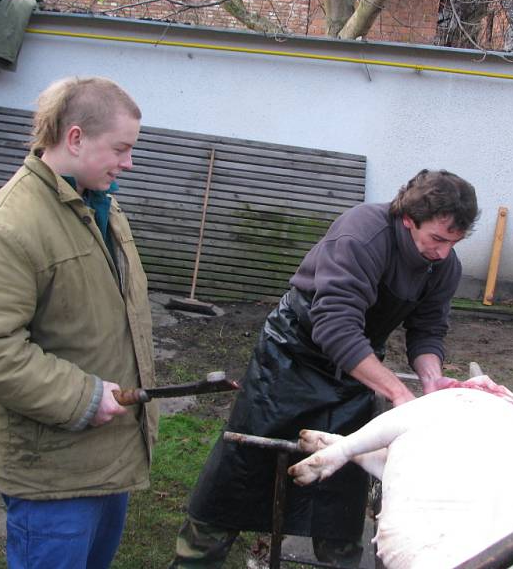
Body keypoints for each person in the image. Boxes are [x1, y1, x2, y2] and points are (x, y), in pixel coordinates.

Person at [171, 169, 479, 568]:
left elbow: (428, 329)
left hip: (352, 377)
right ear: (408, 218)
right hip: (289, 361)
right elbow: (335, 326)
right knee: (238, 477)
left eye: (453, 242)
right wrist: (400, 394)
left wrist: (431, 378)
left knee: (340, 496)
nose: (442, 251)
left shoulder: (443, 265)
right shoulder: (363, 234)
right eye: (437, 239)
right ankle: (195, 559)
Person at [0, 76, 158, 569]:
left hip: (107, 455)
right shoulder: (7, 227)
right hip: (53, 473)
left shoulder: (99, 207)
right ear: (76, 137)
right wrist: (82, 397)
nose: (129, 162)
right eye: (121, 148)